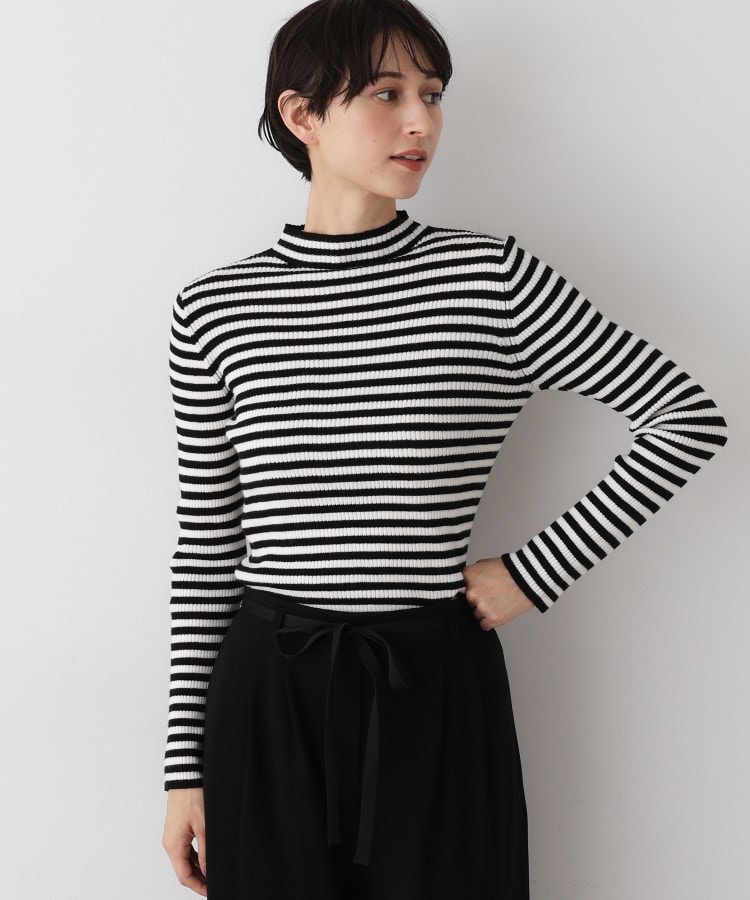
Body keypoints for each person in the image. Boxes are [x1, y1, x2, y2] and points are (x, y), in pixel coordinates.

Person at [161, 1, 729, 897]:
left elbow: (684, 418)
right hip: (268, 699)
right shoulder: (215, 310)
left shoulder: (492, 279)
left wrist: (533, 573)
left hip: (433, 688)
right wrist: (182, 769)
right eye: (387, 93)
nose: (421, 121)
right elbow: (207, 544)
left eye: (432, 94)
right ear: (302, 114)